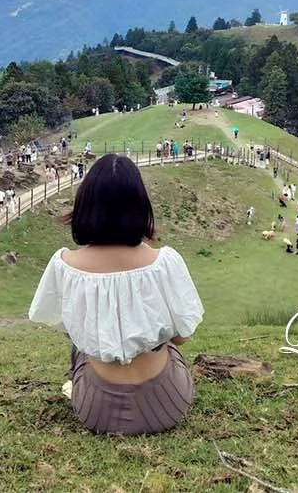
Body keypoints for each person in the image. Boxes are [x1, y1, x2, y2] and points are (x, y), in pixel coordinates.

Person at [28, 153, 204, 435]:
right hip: (168, 404)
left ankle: (79, 386)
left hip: (96, 411)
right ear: (140, 206)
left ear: (85, 205)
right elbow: (183, 337)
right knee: (167, 341)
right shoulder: (164, 262)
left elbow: (71, 331)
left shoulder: (65, 266)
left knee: (80, 346)